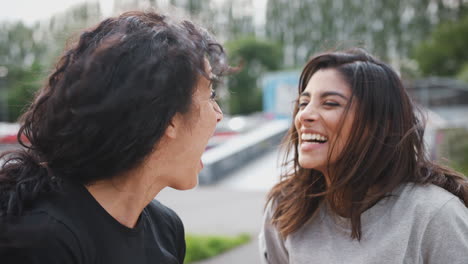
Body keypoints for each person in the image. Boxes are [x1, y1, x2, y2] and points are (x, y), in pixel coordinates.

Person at [0, 10, 230, 264]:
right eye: (210, 96)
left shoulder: (167, 229)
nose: (218, 115)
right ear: (168, 117)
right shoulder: (43, 241)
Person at [259, 49, 468, 264]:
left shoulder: (434, 216)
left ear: (380, 124)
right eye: (303, 103)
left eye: (330, 103)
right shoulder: (286, 208)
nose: (303, 115)